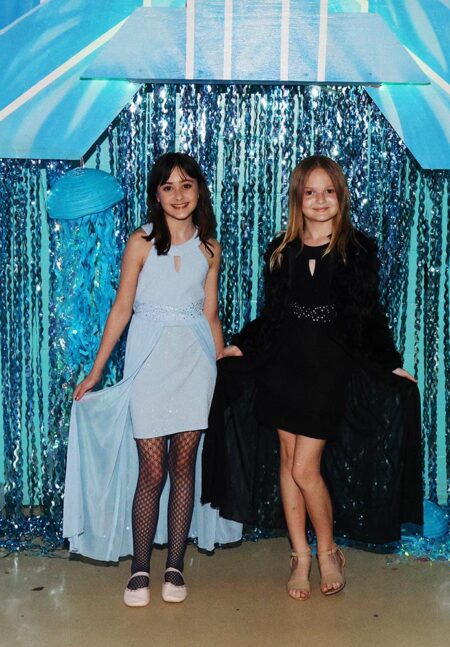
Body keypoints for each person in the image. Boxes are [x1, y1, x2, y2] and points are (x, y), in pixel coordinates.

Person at [202, 155, 422, 601]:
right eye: (310, 192)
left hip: (327, 369)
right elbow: (273, 315)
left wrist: (389, 363)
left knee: (306, 467)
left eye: (329, 192)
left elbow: (368, 316)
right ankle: (300, 555)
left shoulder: (358, 250)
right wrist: (243, 344)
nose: (320, 201)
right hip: (282, 367)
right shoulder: (280, 251)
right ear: (297, 199)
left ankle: (327, 550)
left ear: (341, 197)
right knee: (288, 463)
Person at [64, 152, 224, 606]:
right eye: (168, 187)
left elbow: (210, 314)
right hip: (149, 360)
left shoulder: (210, 249)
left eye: (187, 185)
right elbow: (121, 309)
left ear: (199, 191)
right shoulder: (140, 241)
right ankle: (139, 568)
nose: (179, 195)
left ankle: (174, 566)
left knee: (184, 467)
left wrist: (223, 365)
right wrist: (97, 371)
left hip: (195, 363)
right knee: (152, 471)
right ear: (156, 194)